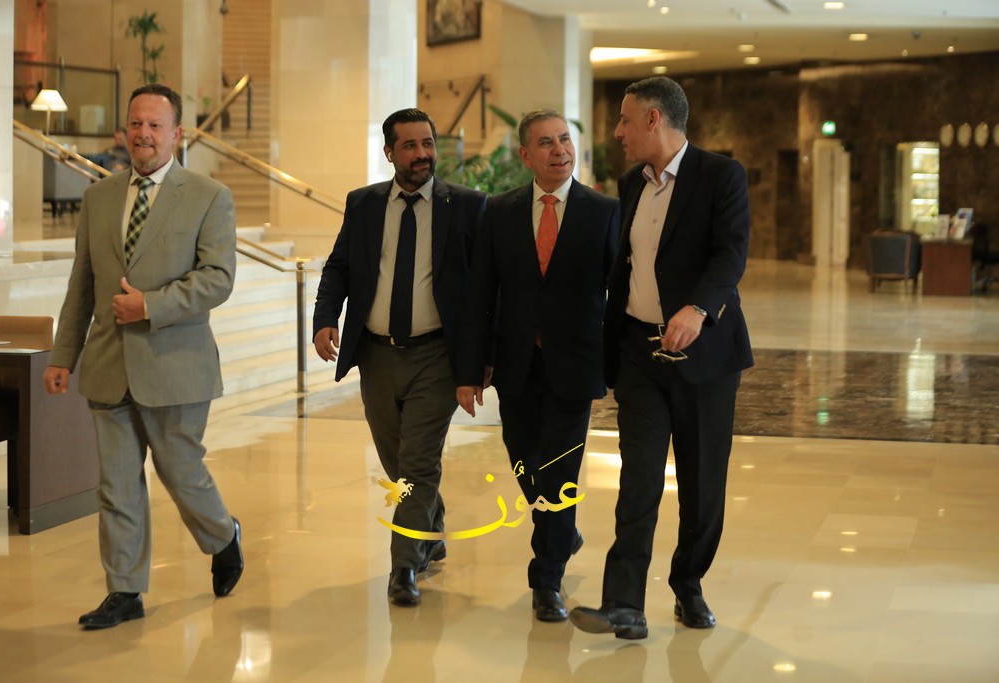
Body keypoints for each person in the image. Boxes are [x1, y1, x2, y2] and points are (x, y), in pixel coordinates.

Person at [43, 84, 244, 630]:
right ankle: (124, 590)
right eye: (136, 123)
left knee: (181, 472)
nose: (144, 134)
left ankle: (224, 535)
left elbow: (218, 278)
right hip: (108, 365)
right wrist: (63, 356)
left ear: (176, 133)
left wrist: (150, 306)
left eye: (155, 125)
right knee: (116, 484)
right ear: (124, 130)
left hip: (176, 365)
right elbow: (82, 284)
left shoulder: (208, 196)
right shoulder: (99, 198)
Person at [569, 76, 753, 639]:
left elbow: (730, 254)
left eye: (625, 120)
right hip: (638, 353)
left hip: (705, 357)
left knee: (701, 486)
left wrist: (698, 308)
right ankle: (624, 603)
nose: (617, 132)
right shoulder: (632, 184)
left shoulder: (720, 175)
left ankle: (688, 583)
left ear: (654, 119)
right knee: (639, 481)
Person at [312, 108, 486, 606]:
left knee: (417, 463)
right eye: (410, 145)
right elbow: (339, 266)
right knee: (398, 462)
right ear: (389, 152)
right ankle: (430, 524)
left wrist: (480, 360)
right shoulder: (364, 204)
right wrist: (326, 317)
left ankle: (404, 566)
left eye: (428, 143)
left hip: (438, 354)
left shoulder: (467, 206)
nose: (422, 154)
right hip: (378, 355)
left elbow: (485, 289)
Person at [456, 110, 617, 622]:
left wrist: (619, 361)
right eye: (546, 142)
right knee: (524, 459)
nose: (560, 149)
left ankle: (546, 577)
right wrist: (472, 367)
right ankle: (561, 533)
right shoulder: (499, 211)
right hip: (516, 362)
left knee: (559, 468)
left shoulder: (603, 211)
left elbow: (619, 294)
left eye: (564, 139)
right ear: (525, 155)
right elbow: (482, 293)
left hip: (576, 362)